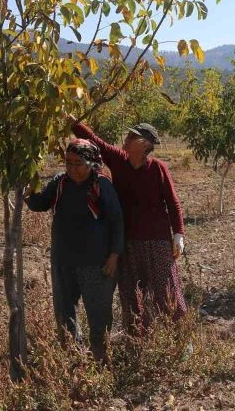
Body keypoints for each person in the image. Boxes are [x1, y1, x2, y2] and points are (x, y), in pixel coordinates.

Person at [71, 119, 188, 329]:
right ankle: (137, 345)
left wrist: (178, 234)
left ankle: (181, 343)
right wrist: (72, 122)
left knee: (167, 294)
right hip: (130, 242)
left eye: (132, 136)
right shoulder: (119, 161)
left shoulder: (158, 169)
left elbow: (173, 202)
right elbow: (96, 142)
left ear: (144, 145)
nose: (126, 139)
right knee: (133, 297)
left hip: (158, 242)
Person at [25, 139, 124, 362]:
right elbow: (41, 203)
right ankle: (73, 357)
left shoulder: (102, 186)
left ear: (91, 162)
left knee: (98, 313)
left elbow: (117, 222)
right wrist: (26, 189)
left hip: (95, 263)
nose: (72, 169)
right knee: (64, 311)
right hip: (63, 260)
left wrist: (114, 257)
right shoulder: (60, 183)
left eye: (78, 163)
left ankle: (100, 358)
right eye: (68, 163)